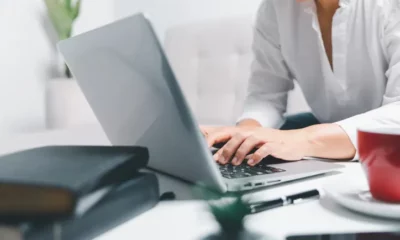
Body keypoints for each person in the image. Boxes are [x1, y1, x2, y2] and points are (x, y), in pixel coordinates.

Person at [202, 0, 400, 166]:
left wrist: (303, 139)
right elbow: (265, 96)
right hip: (325, 136)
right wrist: (244, 133)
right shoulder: (275, 8)